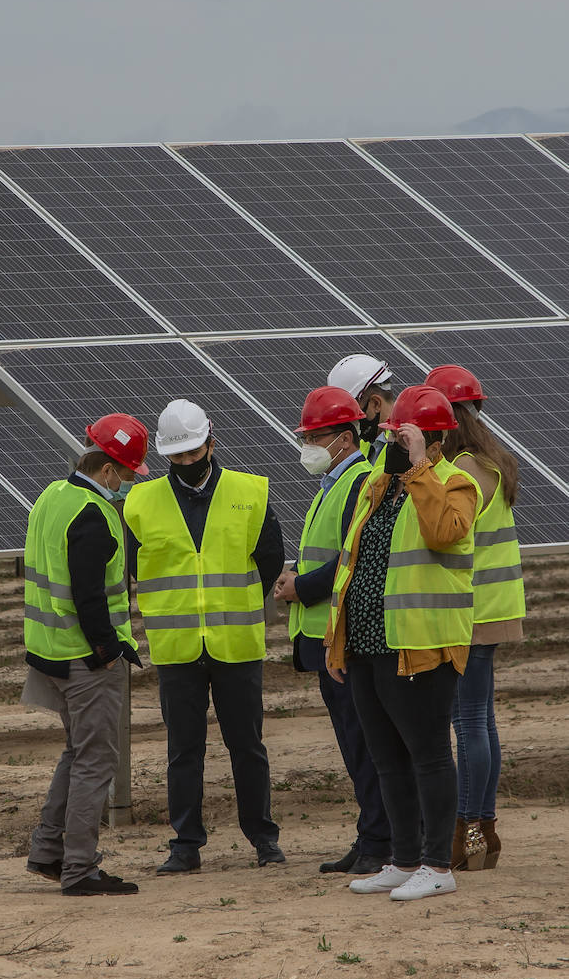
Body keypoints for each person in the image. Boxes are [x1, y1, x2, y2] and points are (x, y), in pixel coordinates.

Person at [325, 384, 480, 902]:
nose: (392, 441)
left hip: (422, 645)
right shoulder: (378, 482)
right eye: (392, 434)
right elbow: (353, 559)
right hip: (369, 641)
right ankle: (404, 859)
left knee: (428, 755)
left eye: (403, 434)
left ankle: (437, 865)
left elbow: (442, 533)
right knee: (387, 757)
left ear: (433, 439)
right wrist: (337, 636)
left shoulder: (455, 483)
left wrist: (419, 467)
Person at [124, 399, 285, 875]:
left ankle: (263, 838)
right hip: (176, 648)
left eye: (194, 453)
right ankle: (186, 844)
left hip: (236, 644)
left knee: (247, 746)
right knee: (183, 751)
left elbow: (270, 559)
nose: (187, 462)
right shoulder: (140, 502)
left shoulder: (250, 492)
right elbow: (134, 567)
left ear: (211, 444)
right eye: (178, 456)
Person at [22, 414, 148, 896]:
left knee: (77, 753)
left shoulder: (52, 495)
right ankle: (79, 868)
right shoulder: (93, 513)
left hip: (49, 652)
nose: (129, 484)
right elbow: (89, 595)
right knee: (96, 761)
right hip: (85, 659)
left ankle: (48, 851)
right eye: (128, 474)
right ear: (108, 469)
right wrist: (107, 652)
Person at [274, 386, 390, 875]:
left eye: (315, 437)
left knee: (364, 744)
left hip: (341, 638)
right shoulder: (334, 484)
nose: (308, 445)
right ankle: (372, 836)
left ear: (345, 438)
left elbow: (351, 557)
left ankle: (380, 841)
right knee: (354, 742)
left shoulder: (359, 481)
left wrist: (300, 586)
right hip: (325, 636)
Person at [426, 364, 525, 871]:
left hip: (473, 612)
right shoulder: (494, 461)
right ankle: (485, 831)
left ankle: (466, 831)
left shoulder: (464, 470)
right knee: (481, 720)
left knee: (467, 724)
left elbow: (447, 536)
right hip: (496, 607)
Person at [327, 354, 395, 468]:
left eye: (351, 410)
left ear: (376, 403)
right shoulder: (361, 446)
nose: (347, 420)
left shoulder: (406, 447)